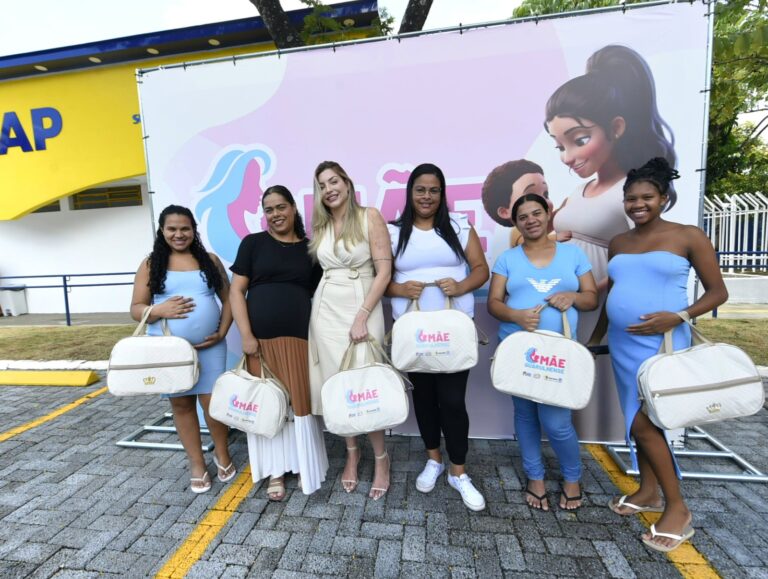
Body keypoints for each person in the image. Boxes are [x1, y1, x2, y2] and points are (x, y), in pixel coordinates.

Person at [544, 44, 677, 442]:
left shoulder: (631, 192)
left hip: (601, 308)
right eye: (560, 145)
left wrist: (588, 291)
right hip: (564, 306)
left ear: (616, 127)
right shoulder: (582, 188)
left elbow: (637, 260)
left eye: (579, 139)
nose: (568, 156)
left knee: (615, 396)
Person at [603, 158, 727, 551]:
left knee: (645, 423)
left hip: (664, 343)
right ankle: (648, 492)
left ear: (664, 198)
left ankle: (677, 509)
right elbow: (613, 294)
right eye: (631, 199)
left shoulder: (688, 236)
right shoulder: (619, 243)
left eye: (646, 197)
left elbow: (718, 292)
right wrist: (594, 338)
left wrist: (677, 316)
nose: (638, 204)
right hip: (623, 345)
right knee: (639, 421)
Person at [386, 163, 490, 511]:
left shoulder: (459, 226)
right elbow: (380, 281)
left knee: (452, 402)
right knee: (425, 401)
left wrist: (461, 286)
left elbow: (481, 270)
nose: (427, 196)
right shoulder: (392, 232)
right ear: (410, 193)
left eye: (433, 190)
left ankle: (458, 472)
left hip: (453, 333)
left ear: (442, 194)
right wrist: (399, 287)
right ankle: (434, 460)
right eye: (420, 189)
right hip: (413, 335)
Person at [488, 193, 598, 510]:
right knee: (524, 416)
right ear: (515, 222)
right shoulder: (508, 259)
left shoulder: (572, 254)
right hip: (517, 350)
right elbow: (495, 303)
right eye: (523, 217)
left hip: (559, 354)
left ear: (548, 213)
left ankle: (572, 479)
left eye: (537, 213)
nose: (531, 220)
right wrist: (516, 316)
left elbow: (591, 297)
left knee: (557, 422)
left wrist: (572, 297)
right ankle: (535, 478)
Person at [229, 185, 328, 500]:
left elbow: (320, 294)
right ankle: (275, 471)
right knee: (269, 406)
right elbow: (235, 292)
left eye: (281, 207)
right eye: (269, 209)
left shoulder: (310, 250)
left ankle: (302, 464)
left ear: (294, 209)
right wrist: (246, 335)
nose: (275, 214)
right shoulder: (253, 244)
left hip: (299, 341)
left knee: (298, 406)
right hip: (260, 342)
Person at [130, 205, 234, 493]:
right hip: (169, 349)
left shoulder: (210, 260)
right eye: (172, 229)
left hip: (210, 346)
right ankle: (197, 463)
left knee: (212, 402)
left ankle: (223, 453)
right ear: (162, 231)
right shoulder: (151, 264)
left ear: (193, 230)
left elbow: (230, 301)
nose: (179, 234)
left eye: (185, 228)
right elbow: (135, 309)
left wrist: (221, 332)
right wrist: (159, 309)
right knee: (181, 404)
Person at [307, 161, 393, 500]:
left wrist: (361, 316)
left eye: (334, 181)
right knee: (337, 383)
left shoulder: (369, 216)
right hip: (326, 310)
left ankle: (382, 459)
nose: (329, 189)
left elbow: (384, 271)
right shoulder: (322, 225)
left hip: (362, 305)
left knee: (365, 383)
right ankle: (352, 453)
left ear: (347, 182)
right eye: (322, 185)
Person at [481, 159, 554, 249]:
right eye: (530, 197)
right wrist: (559, 237)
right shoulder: (518, 232)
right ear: (505, 212)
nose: (544, 202)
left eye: (546, 194)